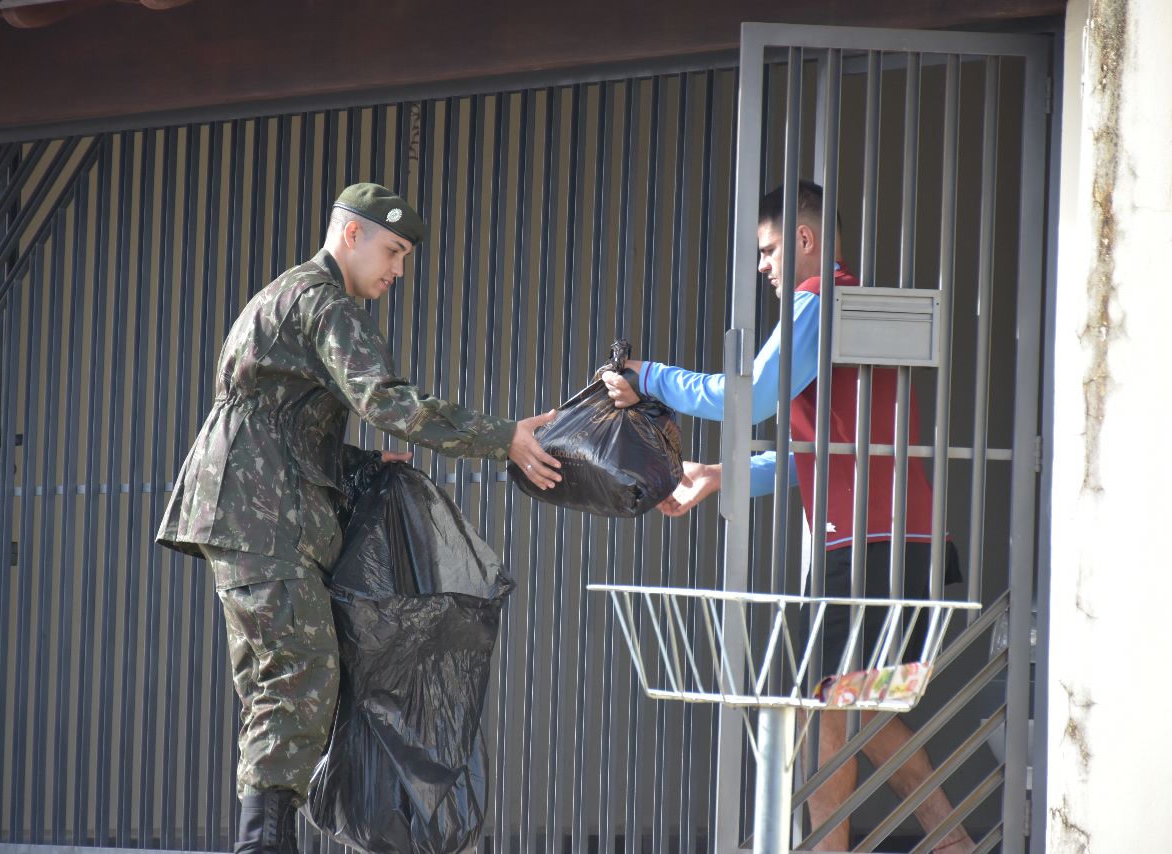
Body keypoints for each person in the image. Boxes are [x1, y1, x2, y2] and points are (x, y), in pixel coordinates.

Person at [156, 183, 561, 854]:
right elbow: (387, 399)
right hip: (266, 520)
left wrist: (357, 458)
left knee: (283, 682)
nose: (397, 271)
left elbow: (274, 419)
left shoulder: (286, 297)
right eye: (393, 251)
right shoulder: (323, 302)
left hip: (253, 512)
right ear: (351, 235)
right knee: (299, 678)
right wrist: (503, 436)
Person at [601, 180, 973, 853]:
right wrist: (722, 475)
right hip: (909, 537)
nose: (764, 267)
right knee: (861, 698)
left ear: (804, 240)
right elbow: (820, 450)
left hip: (859, 541)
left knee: (821, 706)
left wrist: (647, 375)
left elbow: (745, 396)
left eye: (768, 250)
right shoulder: (858, 307)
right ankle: (950, 839)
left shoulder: (815, 304)